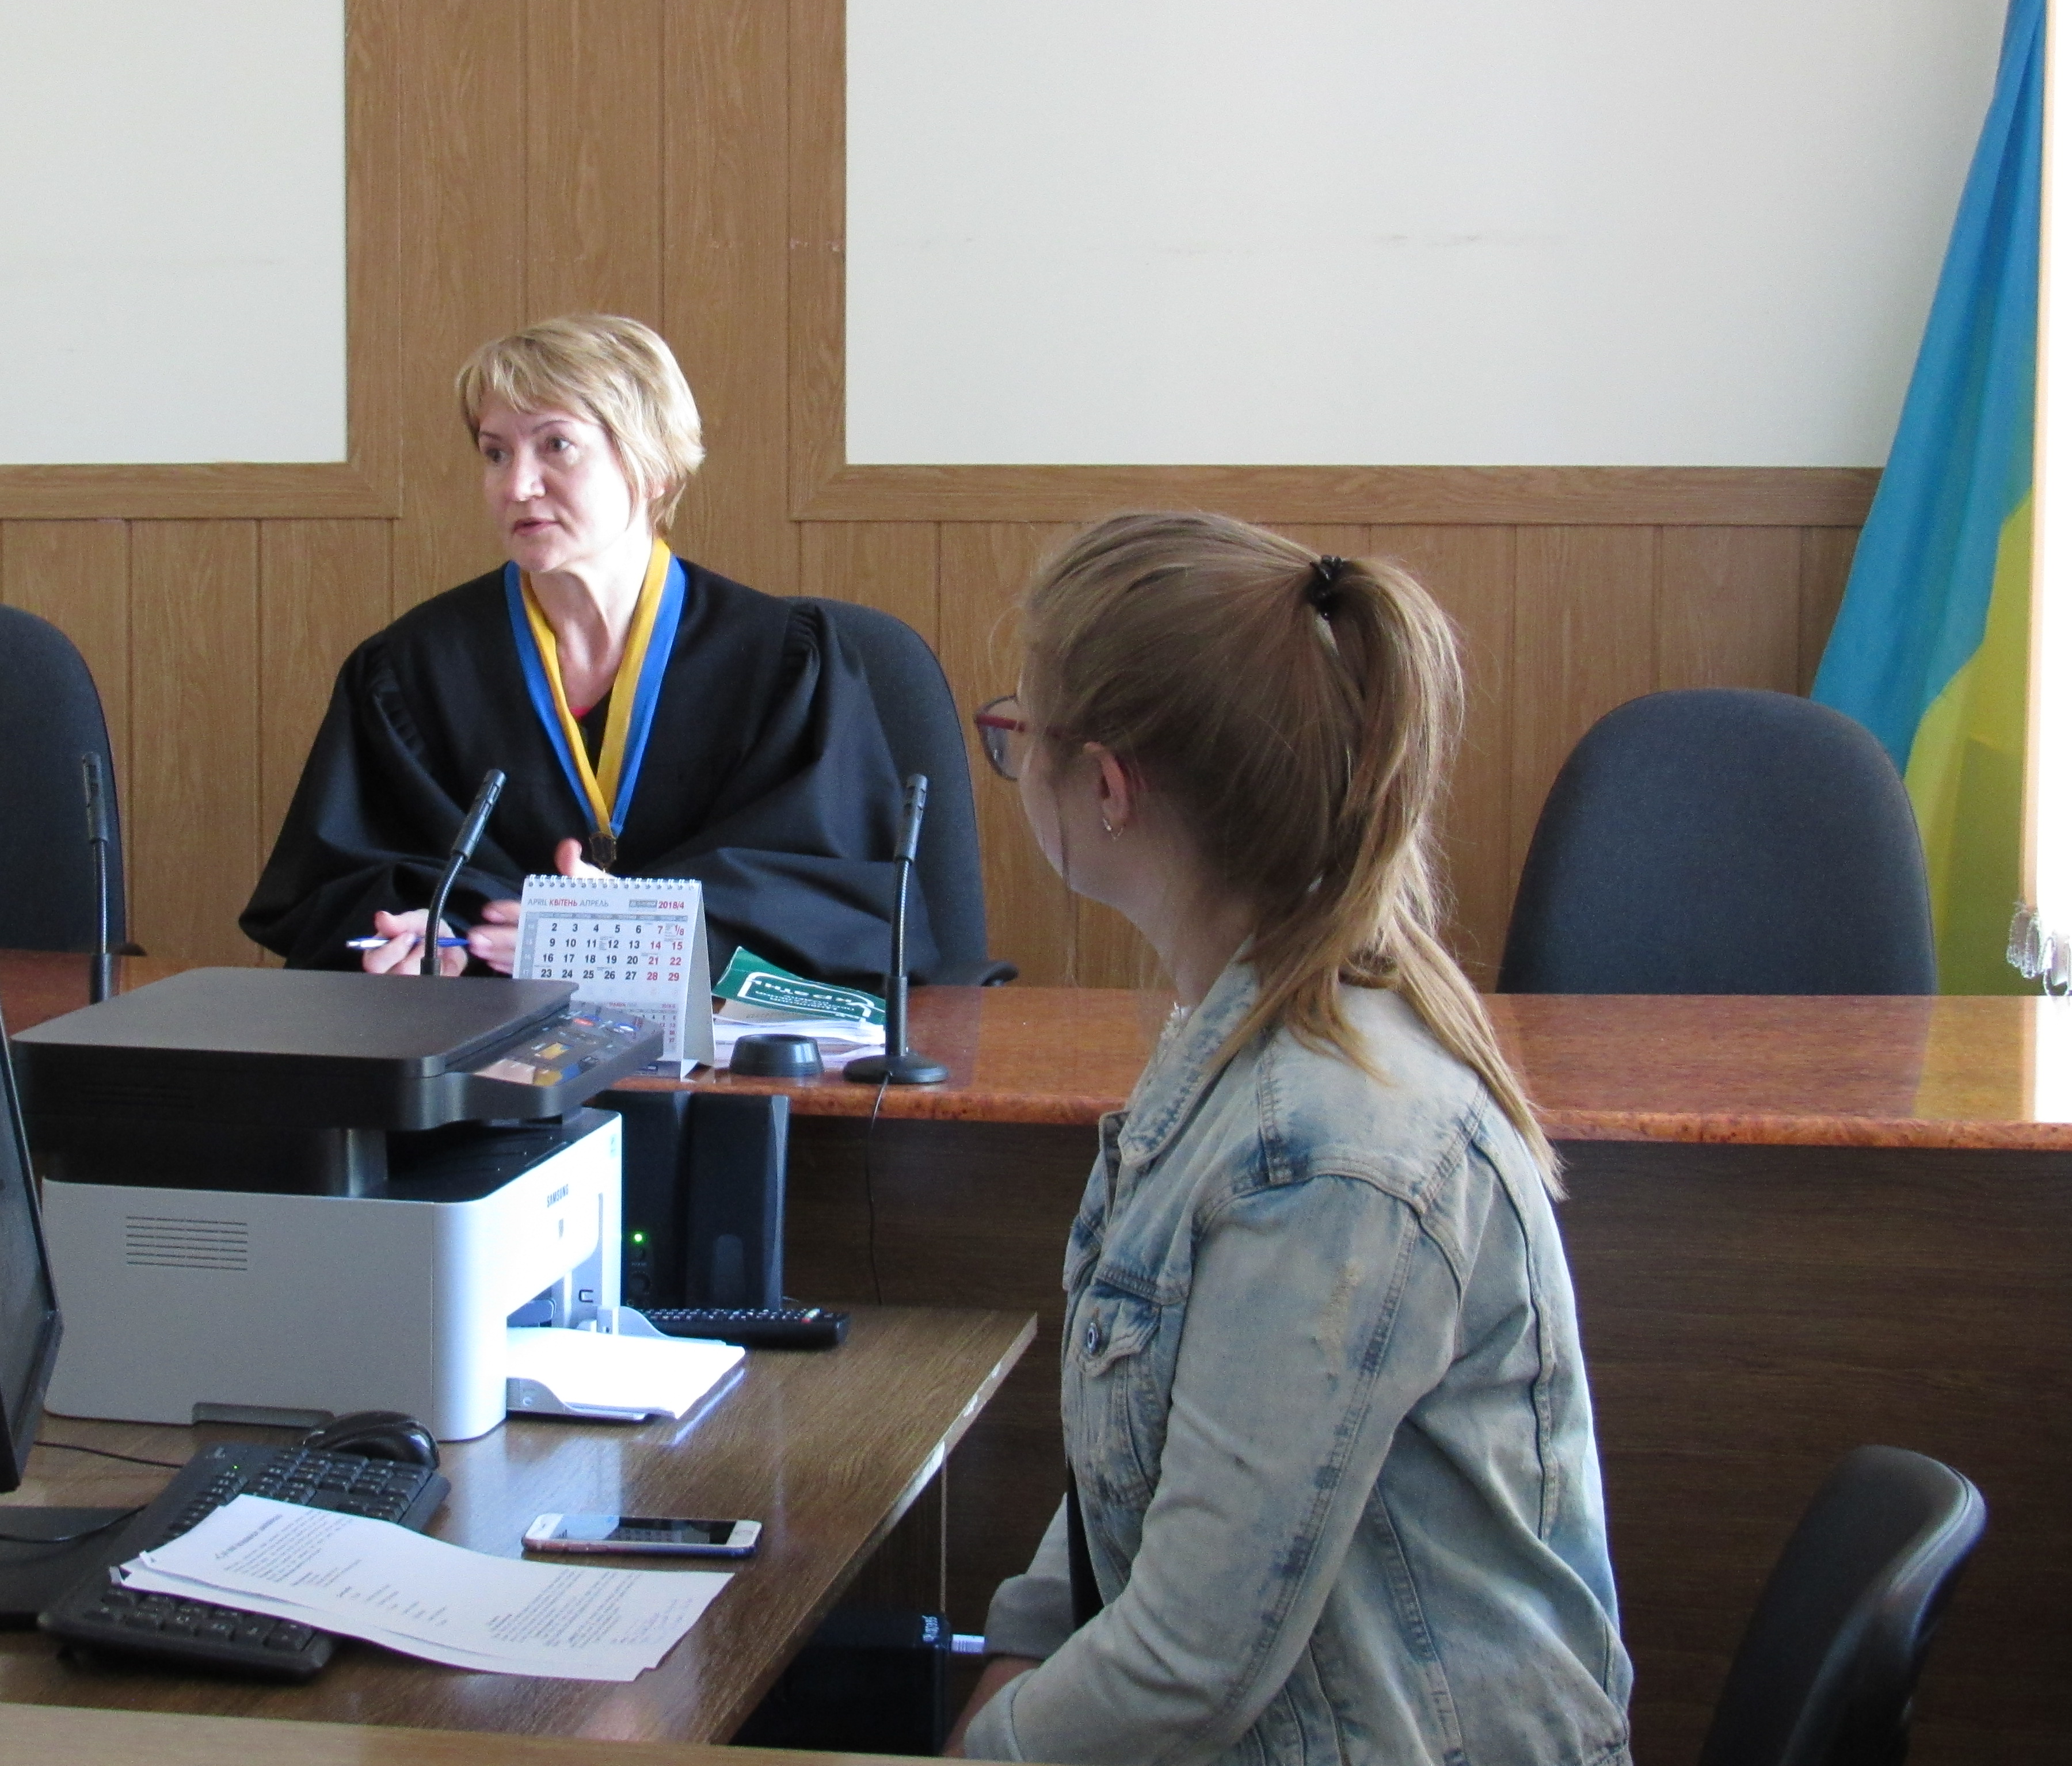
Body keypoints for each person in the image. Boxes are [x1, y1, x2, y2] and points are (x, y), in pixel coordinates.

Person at [947, 513, 1631, 1765]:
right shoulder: (1241, 1038)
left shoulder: (1322, 1154)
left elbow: (1186, 1669)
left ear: (1108, 789)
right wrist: (1027, 1640)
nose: (1015, 761)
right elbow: (1158, 1457)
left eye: (1019, 735)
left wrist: (984, 1751)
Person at [242, 313, 937, 983]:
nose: (517, 485)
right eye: (495, 453)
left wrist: (636, 931)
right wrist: (429, 935)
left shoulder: (783, 662)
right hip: (491, 1037)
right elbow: (334, 886)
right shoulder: (411, 670)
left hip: (723, 1043)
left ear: (652, 466)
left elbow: (846, 904)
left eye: (557, 445)